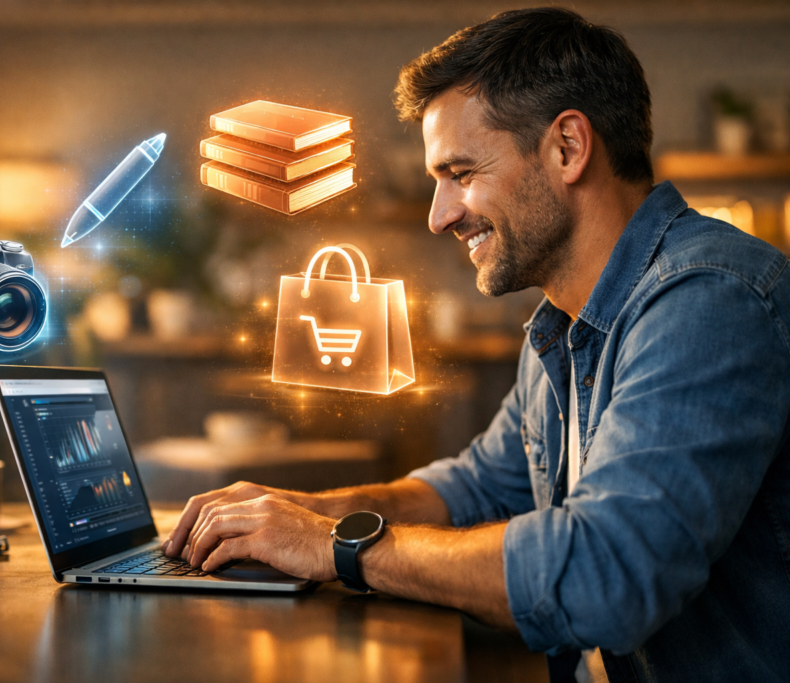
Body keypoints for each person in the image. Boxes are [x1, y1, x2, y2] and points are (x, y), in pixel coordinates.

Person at [163, 8, 790, 682]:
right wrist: (299, 513)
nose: (439, 215)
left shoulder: (707, 300)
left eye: (460, 173)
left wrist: (335, 546)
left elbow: (608, 573)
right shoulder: (563, 321)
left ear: (568, 148)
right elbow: (481, 487)